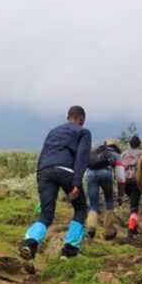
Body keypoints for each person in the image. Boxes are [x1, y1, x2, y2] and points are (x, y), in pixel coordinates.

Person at [19, 106, 91, 260]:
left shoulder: (53, 131)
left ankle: (29, 243)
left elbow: (42, 154)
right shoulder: (83, 132)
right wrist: (77, 184)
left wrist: (40, 179)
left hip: (45, 171)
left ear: (68, 117)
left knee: (46, 214)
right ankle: (69, 251)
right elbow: (82, 158)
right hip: (66, 171)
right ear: (81, 119)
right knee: (80, 209)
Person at [84, 139, 125, 240]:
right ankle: (108, 230)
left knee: (93, 204)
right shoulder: (115, 155)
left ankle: (91, 228)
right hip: (106, 174)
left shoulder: (95, 152)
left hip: (90, 174)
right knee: (109, 200)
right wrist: (120, 194)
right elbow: (121, 177)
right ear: (116, 147)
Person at [121, 136, 142, 237]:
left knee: (132, 204)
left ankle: (134, 226)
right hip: (135, 181)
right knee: (134, 207)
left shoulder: (124, 154)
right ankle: (131, 229)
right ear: (139, 144)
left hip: (124, 182)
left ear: (129, 144)